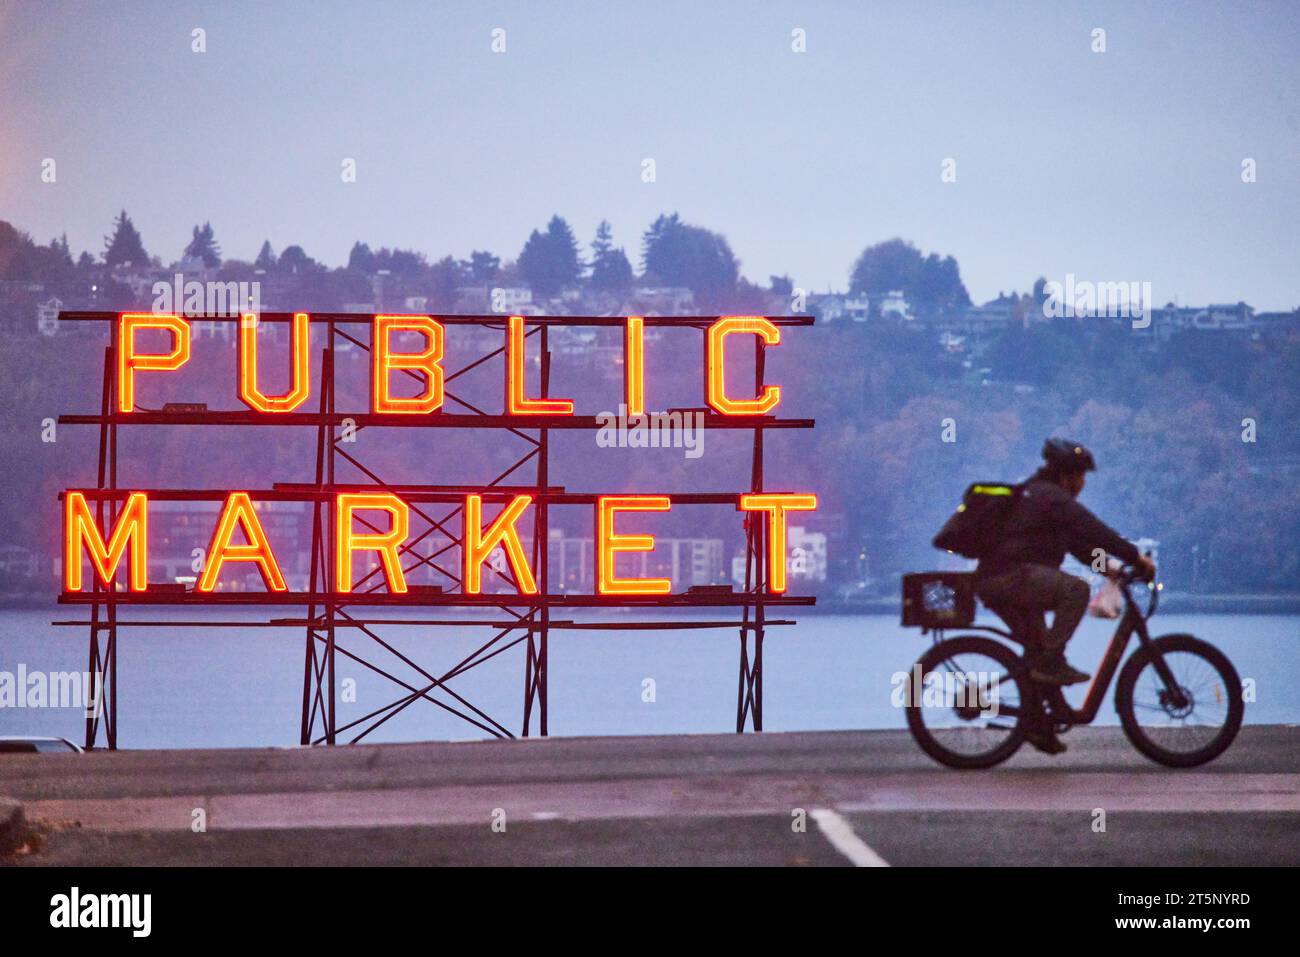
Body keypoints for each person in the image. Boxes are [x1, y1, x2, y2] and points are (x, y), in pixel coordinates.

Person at [975, 438, 1156, 754]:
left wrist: (1110, 568)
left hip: (1003, 580)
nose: (1083, 483)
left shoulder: (1040, 496)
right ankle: (1049, 667)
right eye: (1081, 476)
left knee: (1039, 648)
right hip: (1010, 579)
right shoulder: (1051, 497)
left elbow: (1081, 547)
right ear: (1066, 475)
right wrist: (1135, 557)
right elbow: (1095, 530)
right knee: (1075, 591)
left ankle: (1041, 722)